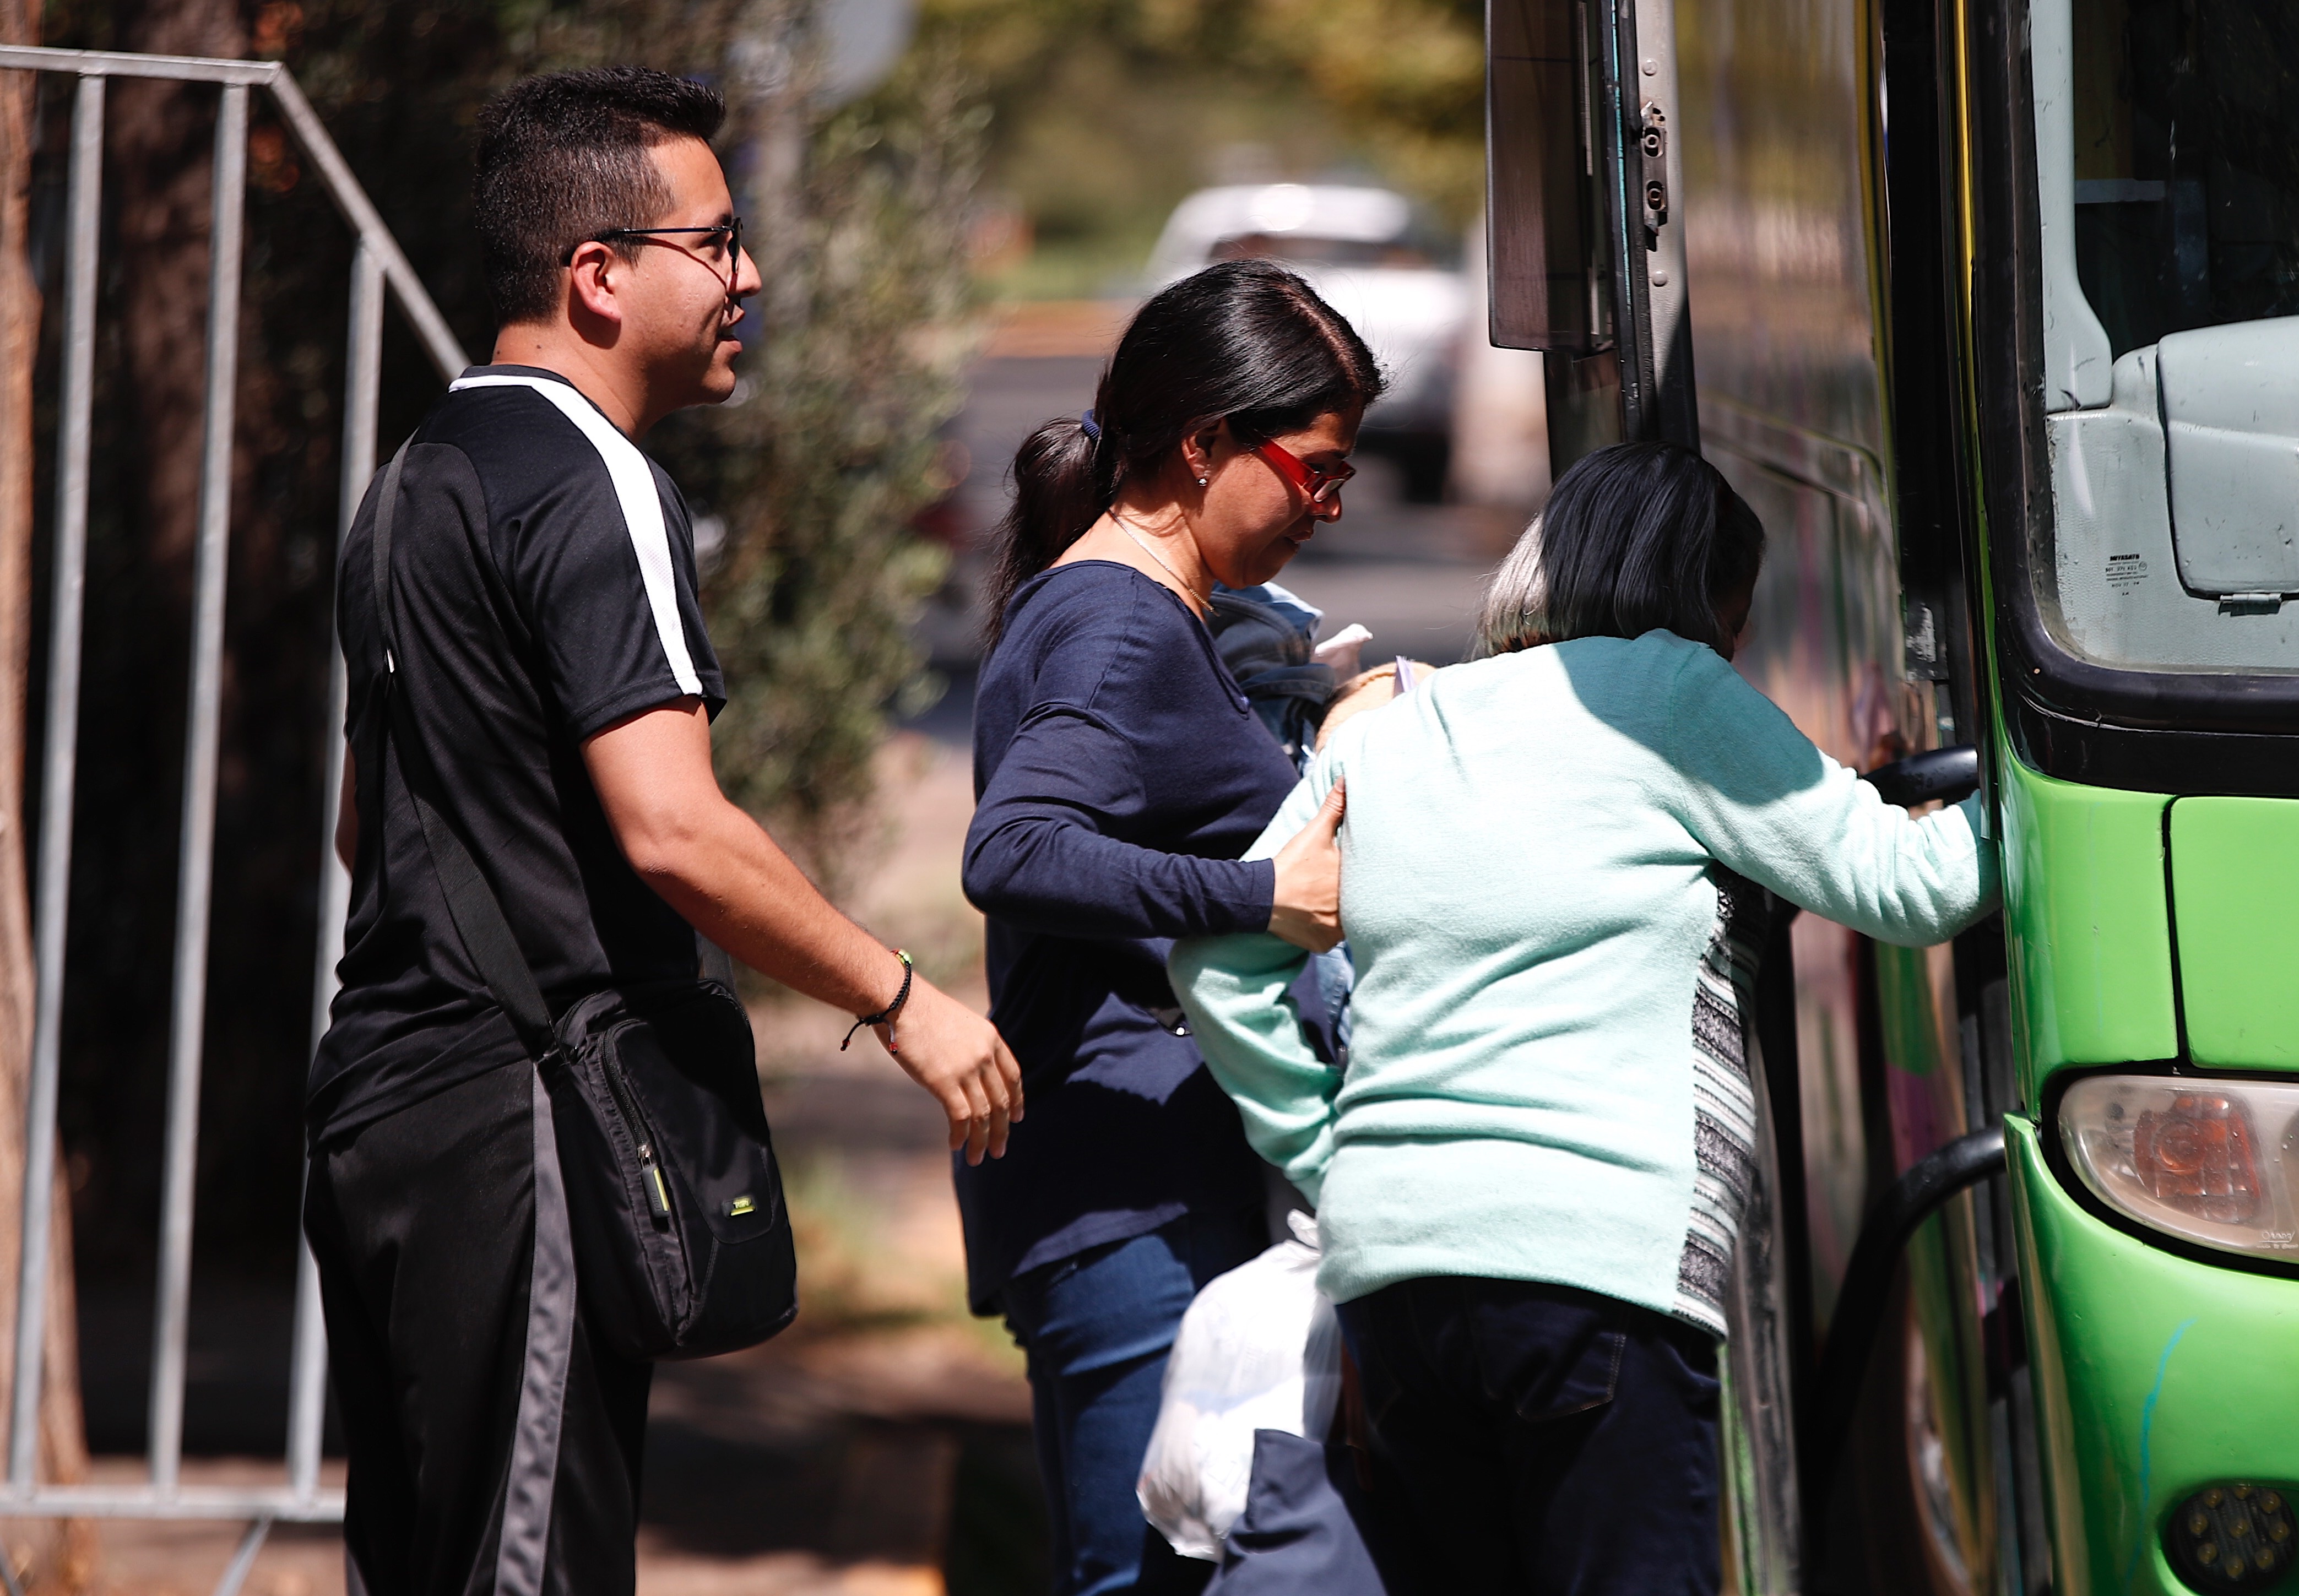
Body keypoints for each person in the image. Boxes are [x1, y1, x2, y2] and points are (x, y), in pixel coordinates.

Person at [306, 67, 1021, 1594]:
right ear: (599, 276)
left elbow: (371, 826)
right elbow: (675, 830)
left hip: (377, 1109)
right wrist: (902, 998)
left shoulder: (411, 478)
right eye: (720, 239)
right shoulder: (594, 479)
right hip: (519, 1126)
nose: (750, 276)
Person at [1169, 442, 1998, 1596]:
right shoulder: (1670, 691)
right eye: (1734, 618)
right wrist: (2037, 777)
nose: (1734, 648)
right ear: (1701, 595)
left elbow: (1217, 959)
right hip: (1591, 1268)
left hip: (1392, 1276)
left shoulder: (1397, 728)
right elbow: (1914, 889)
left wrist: (1328, 1151)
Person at [961, 258, 1379, 1595]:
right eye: (1314, 468)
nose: (1328, 504)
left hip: (1137, 1182)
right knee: (1141, 1580)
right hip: (1126, 1196)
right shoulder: (1115, 623)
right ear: (1204, 446)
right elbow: (1015, 851)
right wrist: (1262, 899)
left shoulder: (1141, 610)